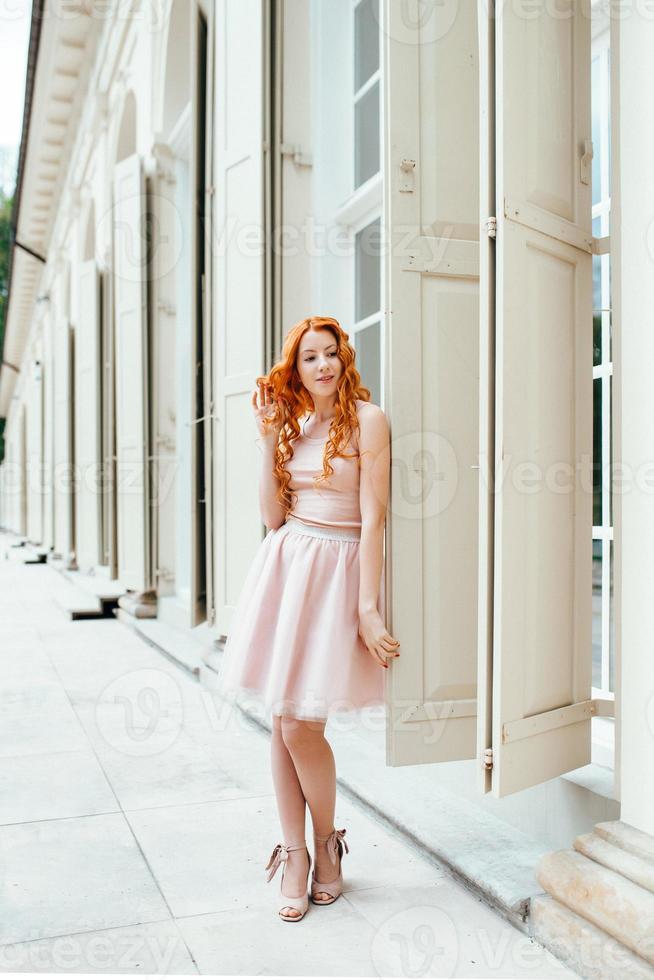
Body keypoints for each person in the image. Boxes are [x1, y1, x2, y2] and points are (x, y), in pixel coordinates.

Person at [216, 315, 401, 922]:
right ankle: (296, 854)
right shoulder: (294, 423)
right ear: (294, 370)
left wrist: (368, 608)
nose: (322, 366)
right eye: (308, 358)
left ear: (344, 359)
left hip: (338, 571)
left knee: (300, 725)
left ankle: (326, 842)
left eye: (330, 354)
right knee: (282, 719)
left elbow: (374, 519)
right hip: (288, 563)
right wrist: (269, 437)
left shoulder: (369, 421)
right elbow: (272, 516)